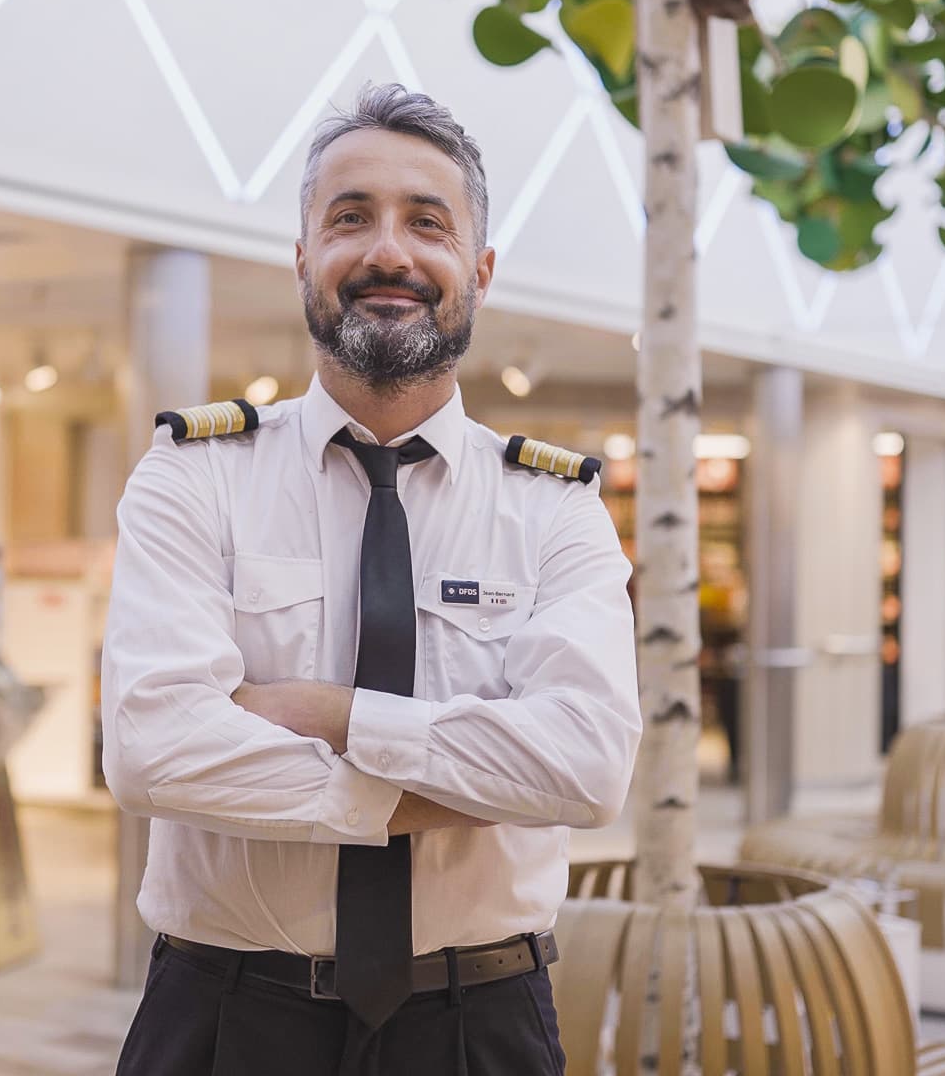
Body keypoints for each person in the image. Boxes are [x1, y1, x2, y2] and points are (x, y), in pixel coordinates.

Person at [102, 85, 639, 1076]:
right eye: (349, 218)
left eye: (426, 224)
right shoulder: (192, 475)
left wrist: (320, 709)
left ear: (476, 269)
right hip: (225, 1018)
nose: (388, 252)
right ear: (303, 258)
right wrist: (465, 779)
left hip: (477, 1023)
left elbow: (584, 767)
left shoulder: (554, 506)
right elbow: (153, 752)